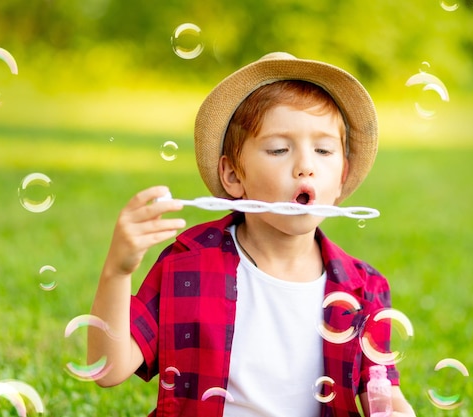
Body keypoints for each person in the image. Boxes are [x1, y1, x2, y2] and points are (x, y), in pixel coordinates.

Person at [88, 52, 416, 417]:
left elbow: (382, 394)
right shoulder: (187, 264)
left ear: (341, 176)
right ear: (233, 176)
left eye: (323, 150)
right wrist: (117, 271)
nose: (306, 166)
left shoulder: (364, 288)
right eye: (278, 149)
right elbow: (108, 368)